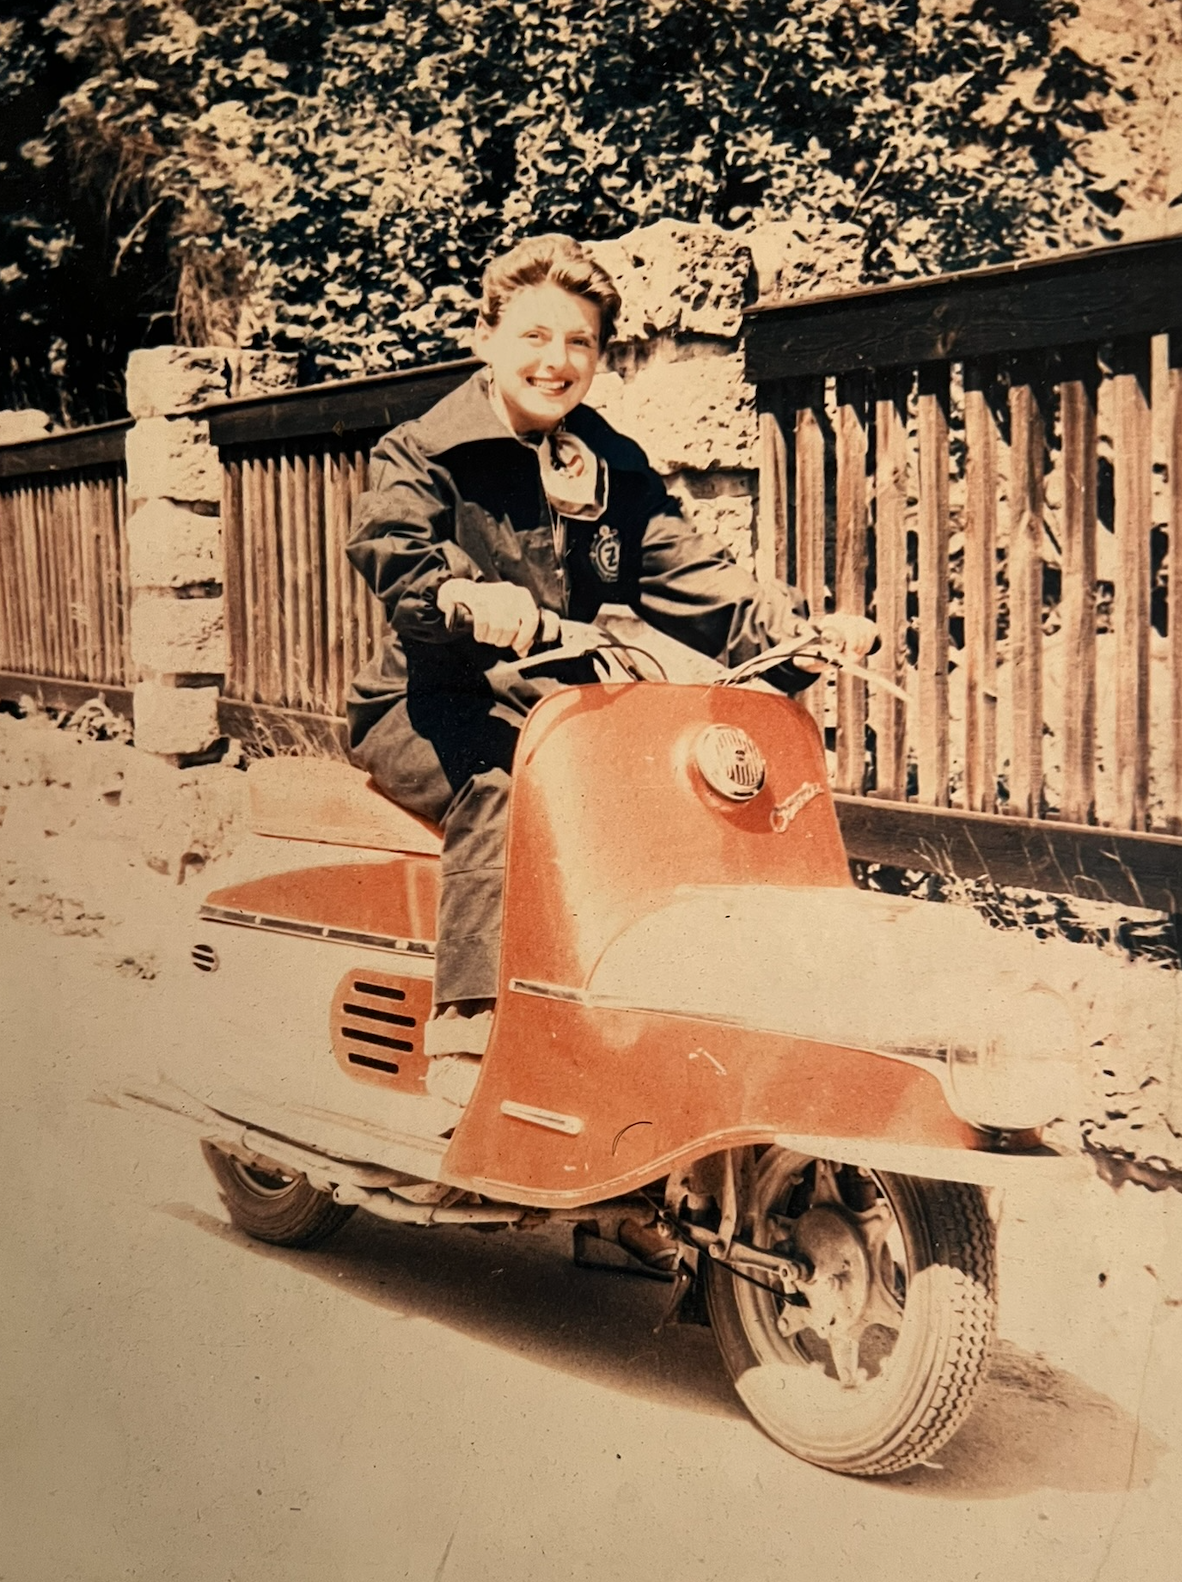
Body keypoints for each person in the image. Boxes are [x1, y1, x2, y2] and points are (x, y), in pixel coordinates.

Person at [346, 234, 875, 1083]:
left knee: (670, 798)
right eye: (534, 336)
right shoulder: (421, 449)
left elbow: (692, 574)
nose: (556, 362)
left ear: (599, 355)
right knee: (511, 785)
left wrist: (801, 636)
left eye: (579, 342)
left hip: (559, 707)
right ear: (486, 337)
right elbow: (395, 553)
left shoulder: (605, 464)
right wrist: (461, 595)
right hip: (430, 702)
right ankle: (469, 1026)